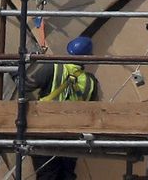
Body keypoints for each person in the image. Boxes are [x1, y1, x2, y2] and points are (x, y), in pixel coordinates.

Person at [29, 37, 98, 180]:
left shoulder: (53, 68)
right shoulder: (91, 82)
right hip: (72, 137)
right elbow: (93, 110)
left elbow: (27, 85)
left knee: (47, 174)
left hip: (45, 131)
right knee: (67, 175)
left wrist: (14, 73)